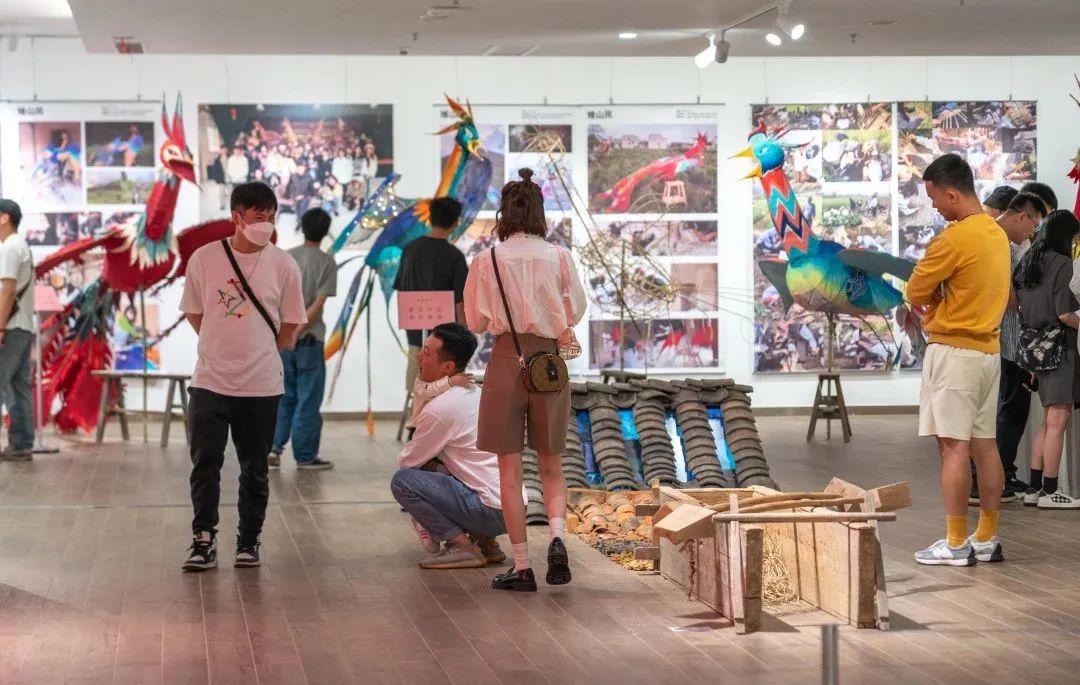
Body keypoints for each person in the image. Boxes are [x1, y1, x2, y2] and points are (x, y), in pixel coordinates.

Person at [464, 168, 587, 592]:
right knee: (552, 464)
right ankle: (556, 537)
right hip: (549, 362)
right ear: (539, 213)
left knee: (509, 470)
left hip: (506, 360)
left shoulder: (486, 260)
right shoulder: (560, 257)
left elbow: (475, 321)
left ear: (504, 214)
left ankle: (521, 566)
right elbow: (574, 312)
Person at [180, 182, 307, 572]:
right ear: (236, 217)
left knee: (255, 468)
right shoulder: (205, 258)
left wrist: (260, 351)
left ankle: (248, 541)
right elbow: (195, 312)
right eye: (258, 215)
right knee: (205, 464)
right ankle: (204, 539)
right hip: (210, 381)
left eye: (271, 216)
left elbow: (291, 324)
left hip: (261, 385)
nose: (266, 222)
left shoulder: (283, 264)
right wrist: (221, 345)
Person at [907, 154, 1010, 567]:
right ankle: (985, 536)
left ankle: (954, 543)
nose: (934, 206)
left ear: (952, 194)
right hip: (988, 354)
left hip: (953, 353)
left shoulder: (953, 239)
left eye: (934, 198)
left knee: (952, 448)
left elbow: (915, 291)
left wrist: (937, 292)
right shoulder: (996, 233)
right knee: (985, 447)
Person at [390, 323, 509, 569]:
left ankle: (461, 546)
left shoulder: (441, 408)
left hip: (488, 510)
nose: (419, 357)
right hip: (512, 509)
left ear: (448, 368)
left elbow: (408, 462)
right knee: (447, 468)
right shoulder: (477, 393)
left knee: (404, 481)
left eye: (426, 353)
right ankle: (486, 542)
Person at [969, 192, 1048, 506]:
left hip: (997, 341)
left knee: (997, 412)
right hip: (1008, 343)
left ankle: (996, 476)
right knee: (1008, 411)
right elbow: (1011, 296)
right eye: (1033, 225)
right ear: (1021, 216)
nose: (1032, 233)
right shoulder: (1000, 243)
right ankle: (993, 479)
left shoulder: (992, 238)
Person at [1017, 210, 1080, 508]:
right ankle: (1051, 491)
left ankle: (1034, 487)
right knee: (1058, 420)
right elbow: (1065, 314)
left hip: (1036, 348)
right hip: (1060, 349)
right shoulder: (1062, 264)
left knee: (1046, 420)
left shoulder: (1029, 261)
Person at [270, 208, 338, 471]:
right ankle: (305, 456)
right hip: (309, 340)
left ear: (302, 227)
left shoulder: (285, 257)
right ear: (325, 232)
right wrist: (297, 332)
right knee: (308, 399)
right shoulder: (327, 262)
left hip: (282, 340)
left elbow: (275, 300)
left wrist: (286, 334)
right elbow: (316, 306)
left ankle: (273, 449)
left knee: (283, 396)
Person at [393, 197, 469, 392]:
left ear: (430, 218)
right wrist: (464, 336)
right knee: (443, 385)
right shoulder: (455, 257)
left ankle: (415, 406)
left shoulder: (410, 250)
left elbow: (401, 288)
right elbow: (460, 303)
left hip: (415, 326)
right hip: (445, 337)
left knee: (417, 365)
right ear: (455, 223)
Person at [0, 200, 34, 461]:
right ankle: (21, 444)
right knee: (18, 385)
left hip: (11, 328)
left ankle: (20, 443)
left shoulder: (10, 246)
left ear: (4, 218)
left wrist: (0, 327)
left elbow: (8, 290)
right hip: (22, 326)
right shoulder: (19, 245)